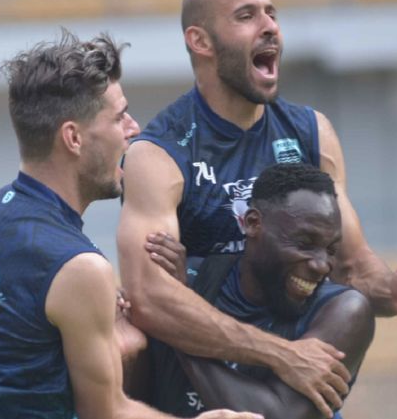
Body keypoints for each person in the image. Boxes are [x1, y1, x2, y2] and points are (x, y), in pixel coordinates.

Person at [117, 0, 397, 418]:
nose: (269, 26)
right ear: (201, 41)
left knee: (352, 308)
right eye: (246, 16)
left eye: (272, 13)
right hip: (206, 375)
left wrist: (391, 289)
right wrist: (279, 355)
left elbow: (350, 262)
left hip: (291, 370)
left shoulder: (313, 133)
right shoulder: (160, 153)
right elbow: (149, 298)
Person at [0, 29, 262, 419]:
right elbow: (106, 413)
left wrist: (121, 343)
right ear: (73, 137)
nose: (133, 129)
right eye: (119, 117)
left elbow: (6, 361)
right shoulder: (80, 267)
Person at [143, 163, 375, 418]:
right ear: (253, 223)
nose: (322, 266)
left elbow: (274, 415)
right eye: (305, 244)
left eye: (331, 250)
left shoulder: (344, 310)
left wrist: (178, 326)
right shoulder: (189, 279)